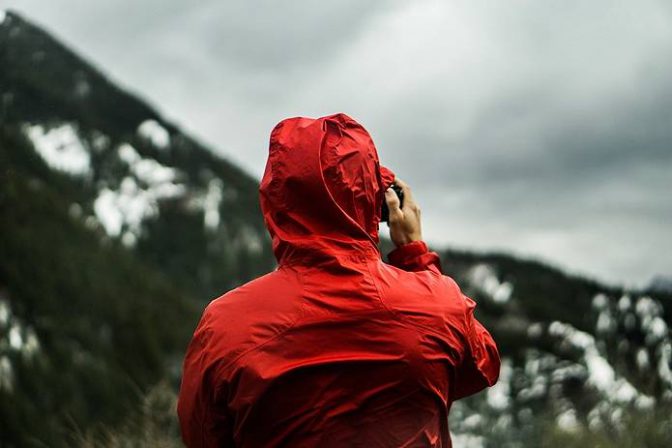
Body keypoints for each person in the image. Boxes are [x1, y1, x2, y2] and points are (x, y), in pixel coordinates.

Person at [177, 113, 500, 447]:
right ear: (374, 203)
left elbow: (200, 435)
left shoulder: (225, 325)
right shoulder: (437, 305)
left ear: (275, 200)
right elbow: (482, 367)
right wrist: (416, 256)